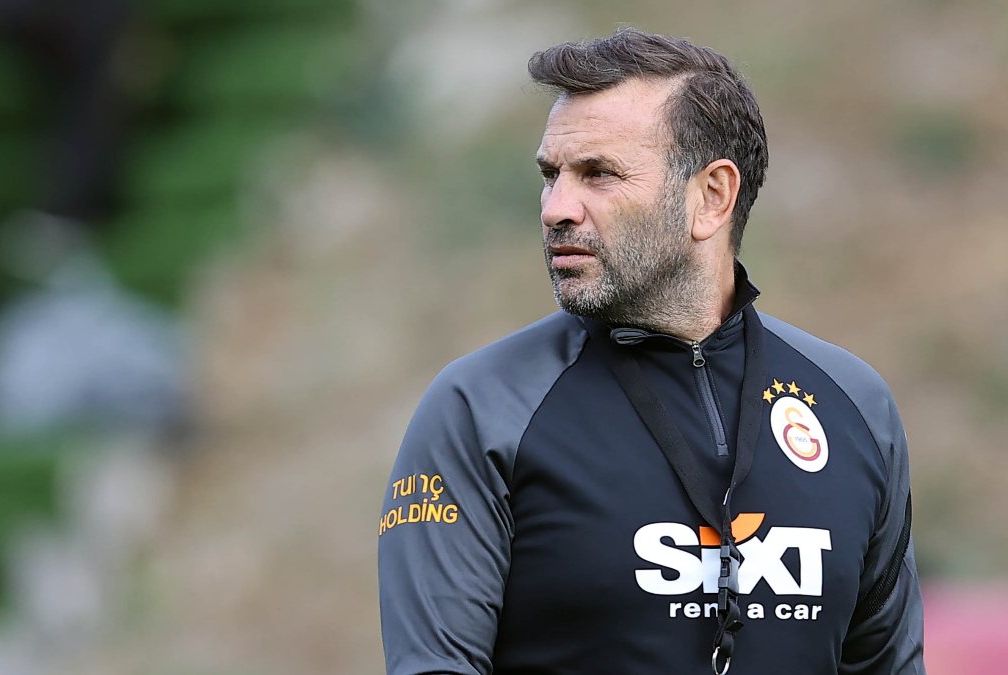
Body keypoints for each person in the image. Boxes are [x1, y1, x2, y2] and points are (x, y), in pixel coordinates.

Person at [378, 27, 924, 675]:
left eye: (598, 174)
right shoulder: (482, 407)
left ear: (712, 197)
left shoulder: (853, 405)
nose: (556, 208)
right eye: (551, 175)